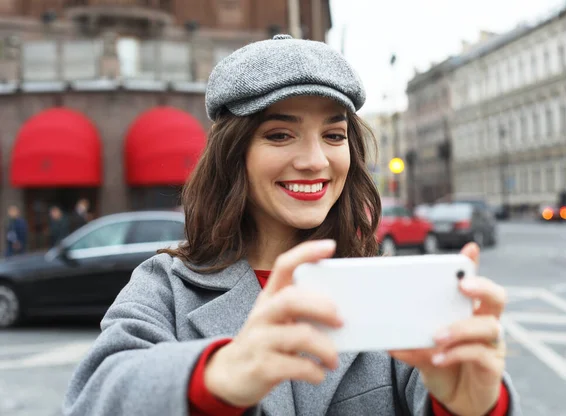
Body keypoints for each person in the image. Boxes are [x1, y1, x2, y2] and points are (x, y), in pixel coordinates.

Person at [64, 34, 521, 416]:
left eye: (334, 135)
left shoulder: (383, 284)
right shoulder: (166, 286)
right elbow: (92, 397)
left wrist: (474, 405)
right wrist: (222, 374)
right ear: (233, 154)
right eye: (280, 134)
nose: (314, 161)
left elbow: (440, 391)